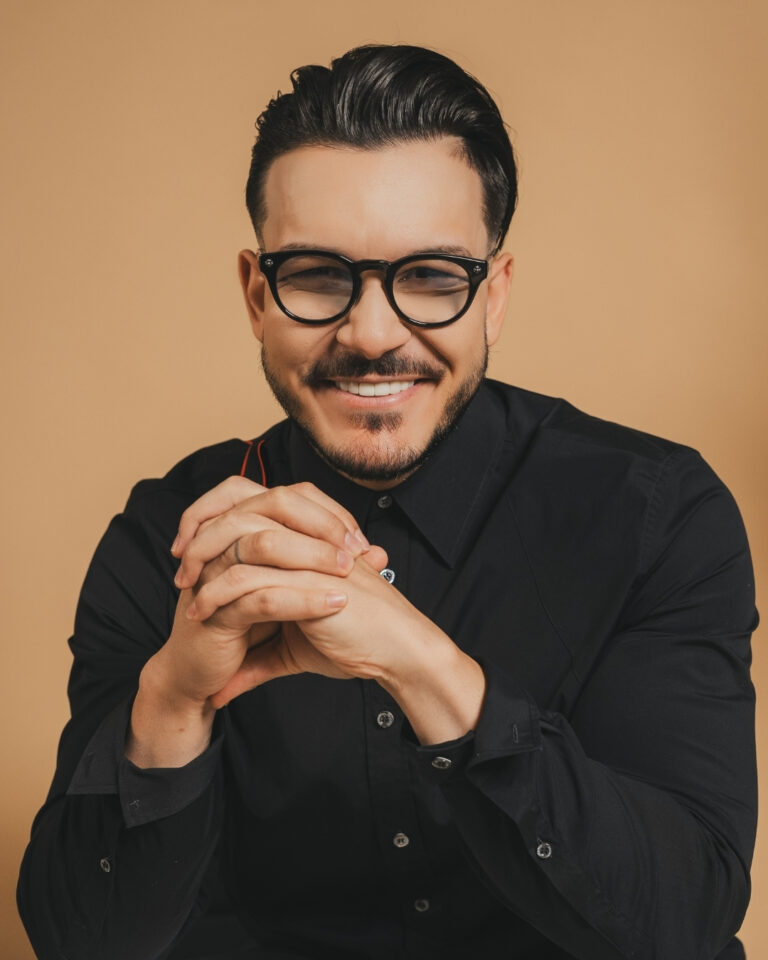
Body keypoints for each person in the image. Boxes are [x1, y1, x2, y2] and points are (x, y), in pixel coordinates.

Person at [18, 44, 757, 960]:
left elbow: (683, 922)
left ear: (494, 297)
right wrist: (169, 703)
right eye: (317, 274)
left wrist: (427, 669)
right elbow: (82, 944)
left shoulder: (656, 513)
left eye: (433, 277)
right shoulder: (163, 539)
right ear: (256, 295)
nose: (372, 334)